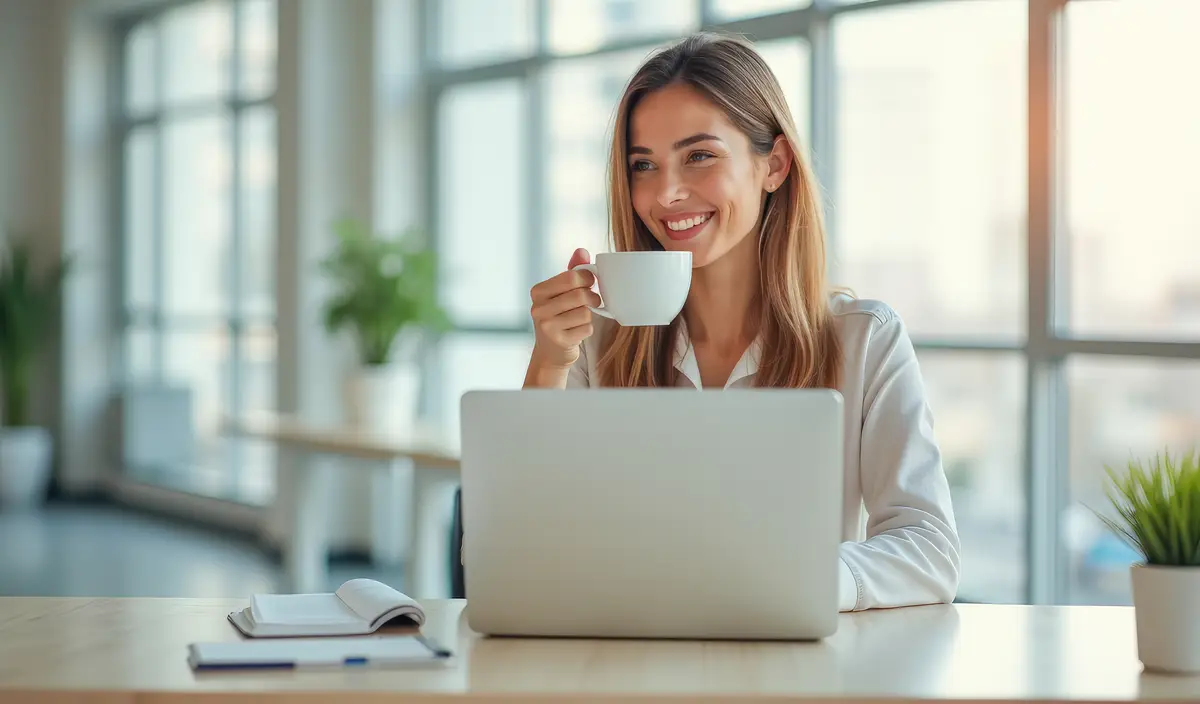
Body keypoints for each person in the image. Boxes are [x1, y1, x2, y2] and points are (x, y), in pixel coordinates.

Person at [522, 32, 960, 612]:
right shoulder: (596, 345)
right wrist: (550, 363)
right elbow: (522, 537)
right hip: (632, 660)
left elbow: (929, 547)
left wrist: (794, 579)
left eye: (698, 156)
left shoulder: (864, 339)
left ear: (774, 164)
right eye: (643, 165)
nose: (666, 193)